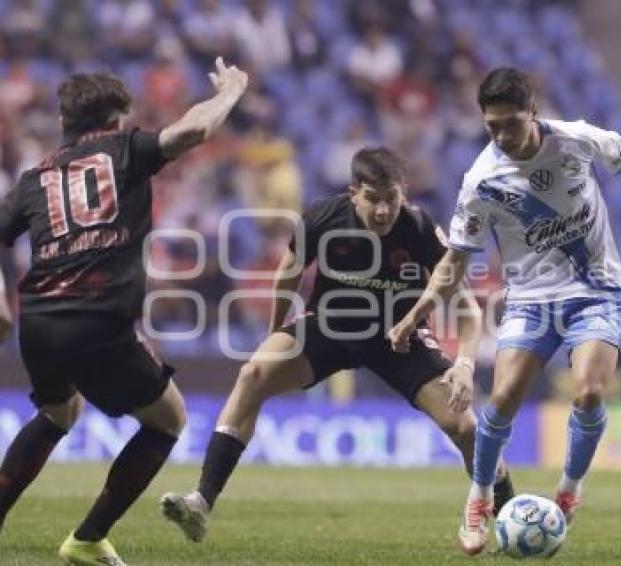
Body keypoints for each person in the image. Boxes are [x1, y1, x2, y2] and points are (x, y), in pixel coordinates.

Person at [389, 67, 621, 555]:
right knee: (504, 397)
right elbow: (454, 261)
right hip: (531, 300)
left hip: (595, 291)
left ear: (533, 112)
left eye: (510, 123)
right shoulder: (482, 180)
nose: (502, 135)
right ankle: (479, 498)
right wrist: (417, 312)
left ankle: (570, 490)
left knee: (590, 393)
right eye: (492, 126)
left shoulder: (574, 139)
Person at [159, 147, 514, 543]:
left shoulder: (419, 229)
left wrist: (464, 364)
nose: (382, 210)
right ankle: (201, 502)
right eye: (373, 199)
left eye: (391, 199)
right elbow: (287, 277)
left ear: (404, 193)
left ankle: (507, 514)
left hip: (399, 337)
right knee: (253, 373)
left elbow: (465, 307)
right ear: (353, 193)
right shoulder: (322, 219)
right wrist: (277, 334)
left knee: (463, 426)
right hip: (329, 327)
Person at [0, 57, 247, 565]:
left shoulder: (34, 178)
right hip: (96, 319)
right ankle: (87, 539)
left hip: (38, 322)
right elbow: (197, 128)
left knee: (58, 411)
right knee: (168, 420)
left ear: (65, 123)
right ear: (116, 120)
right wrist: (230, 92)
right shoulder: (126, 149)